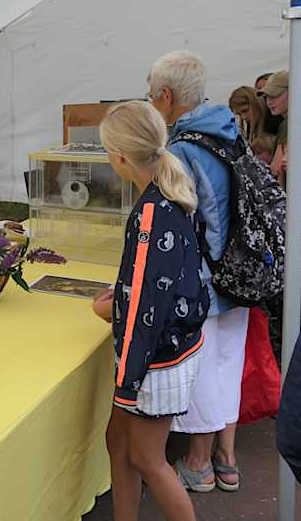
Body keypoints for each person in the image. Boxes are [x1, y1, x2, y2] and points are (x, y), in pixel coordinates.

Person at [93, 100, 209, 521]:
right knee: (118, 443)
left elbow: (145, 306)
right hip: (165, 350)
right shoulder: (168, 194)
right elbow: (156, 282)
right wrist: (121, 296)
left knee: (148, 460)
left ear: (120, 157)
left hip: (152, 360)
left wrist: (126, 379)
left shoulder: (150, 212)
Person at [146, 51, 249, 492]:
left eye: (152, 95)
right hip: (241, 272)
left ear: (166, 96)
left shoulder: (182, 149)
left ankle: (199, 463)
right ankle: (226, 459)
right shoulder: (231, 133)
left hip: (206, 280)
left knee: (203, 371)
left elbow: (177, 228)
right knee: (227, 367)